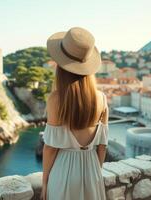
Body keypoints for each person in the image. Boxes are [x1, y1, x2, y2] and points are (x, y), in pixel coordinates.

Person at [41, 27, 109, 200]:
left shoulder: (56, 100)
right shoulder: (101, 98)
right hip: (93, 172)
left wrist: (44, 183)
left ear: (60, 66)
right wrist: (95, 172)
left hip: (64, 175)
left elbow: (50, 148)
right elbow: (102, 146)